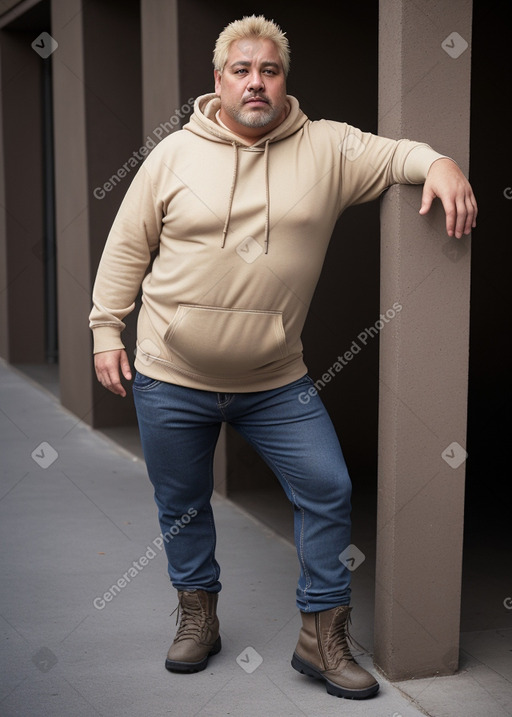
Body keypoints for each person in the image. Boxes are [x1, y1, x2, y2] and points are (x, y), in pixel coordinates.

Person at [89, 15, 477, 700]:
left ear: (284, 79)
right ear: (218, 81)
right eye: (242, 70)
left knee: (326, 488)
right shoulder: (174, 154)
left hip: (274, 381)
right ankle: (198, 616)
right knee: (180, 503)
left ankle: (319, 637)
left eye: (268, 69)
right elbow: (126, 245)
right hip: (169, 374)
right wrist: (102, 329)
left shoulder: (326, 147)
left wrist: (442, 165)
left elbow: (400, 156)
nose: (256, 81)